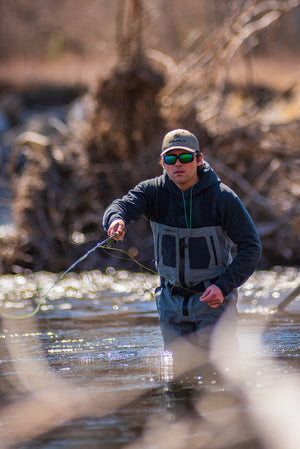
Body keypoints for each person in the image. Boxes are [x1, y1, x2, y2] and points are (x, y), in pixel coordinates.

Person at [103, 129, 261, 360]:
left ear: (199, 160)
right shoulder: (152, 192)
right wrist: (116, 220)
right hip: (170, 304)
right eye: (170, 158)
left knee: (218, 380)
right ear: (163, 163)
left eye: (185, 157)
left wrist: (223, 286)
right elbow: (121, 206)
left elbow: (251, 246)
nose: (178, 163)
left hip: (213, 302)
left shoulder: (222, 197)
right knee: (179, 381)